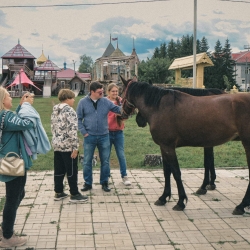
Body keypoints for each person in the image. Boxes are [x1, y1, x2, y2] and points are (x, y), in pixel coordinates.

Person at [0, 88, 34, 248]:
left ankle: (5, 228)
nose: (11, 98)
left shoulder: (5, 116)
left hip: (10, 160)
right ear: (2, 100)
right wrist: (27, 107)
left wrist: (21, 106)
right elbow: (28, 123)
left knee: (18, 194)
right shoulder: (5, 116)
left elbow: (15, 121)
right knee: (13, 197)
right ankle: (7, 236)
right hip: (13, 161)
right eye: (8, 96)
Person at [76, 81, 121, 192]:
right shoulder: (82, 102)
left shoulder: (106, 101)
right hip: (89, 137)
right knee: (87, 161)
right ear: (92, 92)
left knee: (105, 161)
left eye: (102, 91)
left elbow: (119, 110)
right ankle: (87, 183)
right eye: (99, 92)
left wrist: (122, 103)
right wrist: (84, 132)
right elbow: (78, 119)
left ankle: (104, 182)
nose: (102, 94)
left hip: (104, 136)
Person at [51, 89, 88, 203]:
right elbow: (73, 130)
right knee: (71, 170)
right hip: (68, 145)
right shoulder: (70, 111)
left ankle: (59, 192)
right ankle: (74, 193)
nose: (73, 100)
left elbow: (53, 127)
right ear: (67, 98)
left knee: (59, 169)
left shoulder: (55, 109)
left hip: (57, 144)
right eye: (72, 98)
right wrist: (75, 147)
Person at [106, 83, 131, 186]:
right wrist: (113, 114)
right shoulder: (104, 101)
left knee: (121, 155)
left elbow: (126, 116)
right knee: (106, 156)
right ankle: (106, 177)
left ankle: (124, 176)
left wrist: (121, 116)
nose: (115, 93)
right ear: (108, 92)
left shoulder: (121, 101)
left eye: (116, 91)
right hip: (106, 133)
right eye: (113, 91)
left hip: (118, 133)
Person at [18, 92, 51, 160]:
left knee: (24, 166)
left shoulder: (23, 108)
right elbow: (29, 124)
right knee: (22, 166)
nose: (33, 99)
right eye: (31, 97)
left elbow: (17, 116)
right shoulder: (25, 108)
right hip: (22, 144)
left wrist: (21, 105)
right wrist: (25, 104)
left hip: (23, 143)